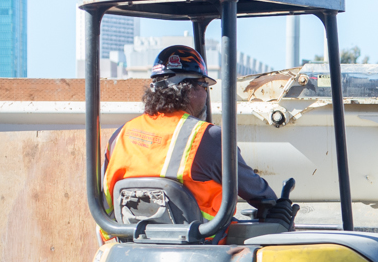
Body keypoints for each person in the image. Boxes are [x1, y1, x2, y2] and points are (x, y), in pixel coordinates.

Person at [103, 45, 296, 232]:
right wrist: (277, 206)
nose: (206, 95)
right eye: (204, 87)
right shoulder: (206, 137)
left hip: (131, 244)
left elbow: (106, 199)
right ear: (189, 90)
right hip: (202, 246)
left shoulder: (120, 135)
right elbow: (258, 193)